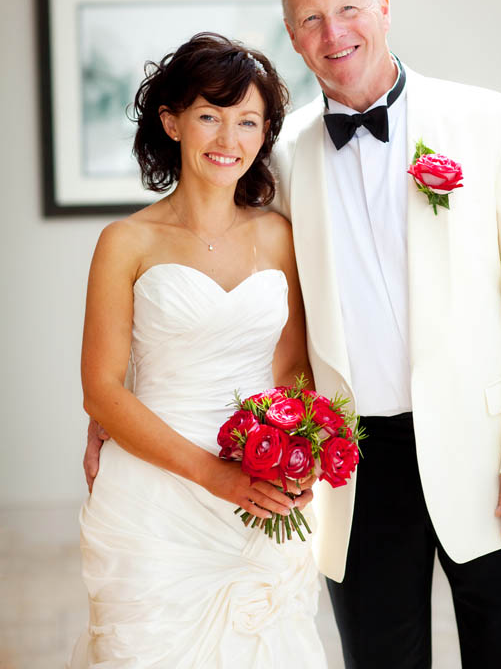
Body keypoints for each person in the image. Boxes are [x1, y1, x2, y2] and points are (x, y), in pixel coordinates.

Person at [270, 0, 501, 668]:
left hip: (490, 458)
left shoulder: (496, 124)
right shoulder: (283, 157)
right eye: (311, 18)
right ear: (294, 37)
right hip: (357, 467)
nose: (334, 33)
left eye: (349, 8)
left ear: (384, 9)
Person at [70, 32, 327, 668]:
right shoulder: (125, 242)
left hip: (258, 489)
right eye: (210, 116)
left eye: (247, 122)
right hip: (156, 498)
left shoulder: (279, 237)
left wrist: (299, 454)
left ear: (264, 134)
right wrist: (213, 474)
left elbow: (292, 370)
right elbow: (101, 389)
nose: (227, 139)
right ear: (172, 121)